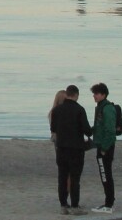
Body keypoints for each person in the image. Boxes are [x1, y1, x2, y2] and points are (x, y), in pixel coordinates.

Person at [50, 84, 93, 214]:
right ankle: (74, 206)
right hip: (76, 149)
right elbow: (87, 131)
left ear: (67, 94)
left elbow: (53, 129)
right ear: (76, 95)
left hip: (61, 148)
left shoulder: (57, 110)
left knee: (62, 177)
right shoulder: (79, 110)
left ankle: (63, 205)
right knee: (75, 178)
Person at [90, 83, 119, 212]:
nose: (94, 96)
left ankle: (109, 204)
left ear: (103, 94)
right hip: (100, 145)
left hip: (105, 147)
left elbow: (110, 131)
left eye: (96, 93)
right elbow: (99, 127)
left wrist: (104, 148)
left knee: (105, 175)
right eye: (94, 93)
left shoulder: (107, 108)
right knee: (105, 175)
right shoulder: (100, 107)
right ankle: (108, 202)